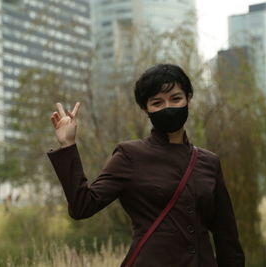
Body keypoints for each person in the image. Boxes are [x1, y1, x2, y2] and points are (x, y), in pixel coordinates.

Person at [47, 64, 245, 266]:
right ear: (145, 109)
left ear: (189, 100)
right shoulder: (130, 155)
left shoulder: (209, 162)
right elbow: (82, 206)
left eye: (176, 99)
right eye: (157, 102)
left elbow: (227, 238)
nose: (168, 107)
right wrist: (68, 145)